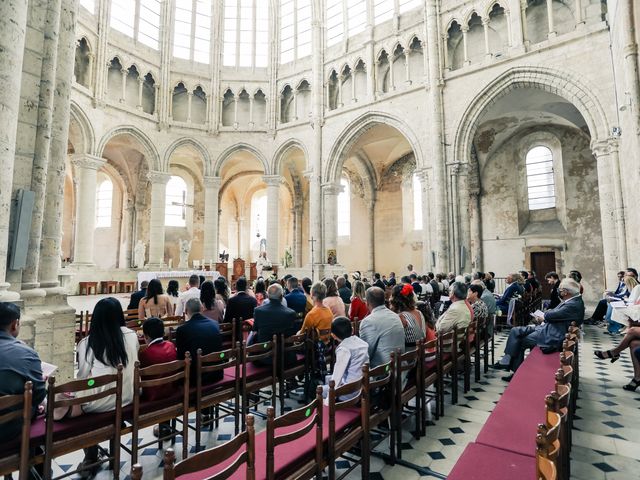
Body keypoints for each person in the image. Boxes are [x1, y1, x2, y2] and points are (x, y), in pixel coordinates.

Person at [73, 298, 139, 472]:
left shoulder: (87, 343)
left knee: (75, 400)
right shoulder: (131, 336)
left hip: (98, 404)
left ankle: (91, 455)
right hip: (128, 396)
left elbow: (83, 378)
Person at [493, 279, 584, 379]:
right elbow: (553, 313)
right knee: (515, 330)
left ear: (566, 292)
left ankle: (515, 372)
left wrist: (546, 315)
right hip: (550, 327)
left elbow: (550, 315)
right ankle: (507, 359)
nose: (559, 291)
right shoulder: (574, 300)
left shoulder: (572, 305)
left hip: (553, 334)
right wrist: (547, 315)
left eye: (560, 290)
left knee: (520, 341)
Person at [0, 302, 46, 443]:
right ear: (15, 324)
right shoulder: (25, 353)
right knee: (38, 407)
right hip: (5, 430)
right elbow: (38, 396)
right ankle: (31, 459)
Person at [139, 317, 177, 439]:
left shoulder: (145, 354)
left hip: (152, 396)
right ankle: (165, 425)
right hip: (172, 391)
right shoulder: (171, 345)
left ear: (146, 336)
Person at [175, 298, 223, 383]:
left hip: (196, 378)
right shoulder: (215, 324)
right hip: (217, 373)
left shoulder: (182, 329)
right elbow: (220, 352)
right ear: (202, 308)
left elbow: (181, 357)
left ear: (186, 311)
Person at [322, 317, 369, 401]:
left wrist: (329, 400)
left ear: (333, 335)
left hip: (351, 391)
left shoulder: (344, 349)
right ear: (352, 329)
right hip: (363, 385)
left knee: (319, 390)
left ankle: (328, 411)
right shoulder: (362, 343)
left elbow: (337, 376)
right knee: (327, 379)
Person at [359, 287, 405, 368]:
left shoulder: (368, 321)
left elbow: (365, 353)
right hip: (400, 368)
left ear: (367, 303)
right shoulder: (395, 316)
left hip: (383, 373)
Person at [252, 284, 298, 365]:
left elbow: (255, 330)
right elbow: (292, 334)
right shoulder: (290, 313)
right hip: (285, 357)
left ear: (268, 296)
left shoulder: (258, 311)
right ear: (281, 297)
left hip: (264, 357)